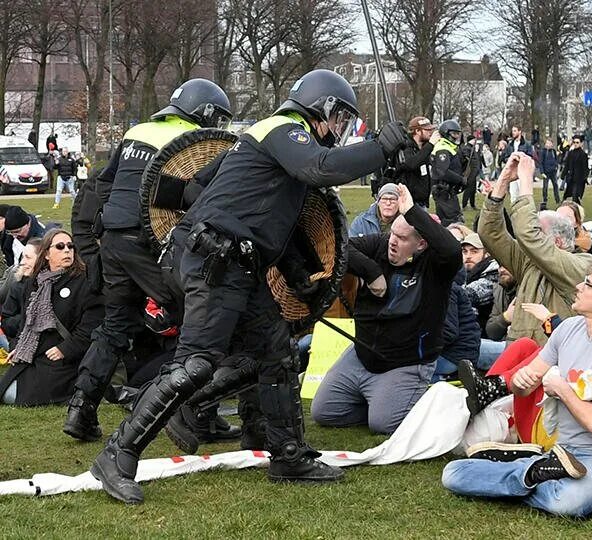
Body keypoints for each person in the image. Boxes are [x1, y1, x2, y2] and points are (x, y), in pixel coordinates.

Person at [89, 68, 406, 504]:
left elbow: (199, 186)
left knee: (277, 357)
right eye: (340, 119)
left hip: (235, 263)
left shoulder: (257, 140)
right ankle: (117, 453)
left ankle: (288, 454)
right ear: (322, 107)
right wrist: (380, 147)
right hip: (216, 262)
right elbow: (321, 168)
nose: (340, 131)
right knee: (195, 365)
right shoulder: (283, 129)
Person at [63, 79, 234, 443]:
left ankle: (81, 408)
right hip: (147, 241)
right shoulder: (193, 140)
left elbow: (103, 184)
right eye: (216, 118)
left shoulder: (137, 130)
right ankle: (198, 414)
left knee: (114, 326)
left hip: (112, 239)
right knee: (199, 321)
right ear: (204, 112)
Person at [442, 258, 592, 518]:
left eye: (587, 285)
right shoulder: (569, 330)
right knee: (453, 474)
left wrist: (561, 388)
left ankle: (526, 471)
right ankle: (534, 470)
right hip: (560, 451)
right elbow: (525, 385)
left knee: (568, 503)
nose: (578, 287)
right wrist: (520, 381)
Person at [313, 183, 461, 432]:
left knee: (384, 424)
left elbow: (452, 249)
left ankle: (406, 400)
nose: (392, 242)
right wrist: (371, 272)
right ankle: (377, 399)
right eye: (393, 233)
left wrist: (413, 211)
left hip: (405, 362)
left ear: (422, 244)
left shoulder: (436, 265)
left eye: (402, 238)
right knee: (325, 412)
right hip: (361, 354)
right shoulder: (381, 244)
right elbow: (339, 248)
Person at [476, 152, 592, 362]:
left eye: (539, 231)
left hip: (553, 363)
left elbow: (527, 234)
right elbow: (490, 233)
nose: (532, 234)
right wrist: (503, 181)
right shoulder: (529, 262)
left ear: (557, 242)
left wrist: (526, 184)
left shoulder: (582, 265)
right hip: (517, 356)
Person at [0, 230, 103, 406]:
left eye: (70, 246)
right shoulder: (35, 283)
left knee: (15, 396)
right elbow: (25, 325)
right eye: (60, 247)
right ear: (46, 253)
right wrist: (18, 347)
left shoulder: (85, 282)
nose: (67, 251)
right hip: (31, 355)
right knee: (6, 392)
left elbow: (91, 326)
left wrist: (65, 349)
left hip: (63, 361)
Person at [395, 116, 439, 208]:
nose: (430, 133)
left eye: (431, 129)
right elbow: (411, 164)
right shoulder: (406, 147)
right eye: (427, 130)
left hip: (422, 201)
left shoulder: (424, 148)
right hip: (410, 202)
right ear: (417, 131)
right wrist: (430, 145)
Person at [461, 232, 499, 334]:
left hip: (487, 335)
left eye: (474, 251)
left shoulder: (494, 271)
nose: (468, 256)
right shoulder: (461, 273)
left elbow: (470, 294)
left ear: (487, 254)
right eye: (465, 252)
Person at [431, 119, 465, 225]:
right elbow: (442, 171)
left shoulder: (449, 147)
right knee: (454, 221)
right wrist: (461, 180)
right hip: (444, 191)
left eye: (458, 133)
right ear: (446, 133)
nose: (456, 137)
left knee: (445, 222)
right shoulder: (443, 148)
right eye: (454, 133)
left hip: (447, 191)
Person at [485, 265, 517, 342]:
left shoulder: (528, 289)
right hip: (504, 342)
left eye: (506, 265)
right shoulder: (499, 289)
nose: (501, 270)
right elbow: (491, 332)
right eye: (500, 266)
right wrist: (506, 317)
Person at [560, 136, 589, 203]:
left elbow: (585, 167)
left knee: (575, 195)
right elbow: (567, 165)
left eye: (577, 142)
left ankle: (577, 210)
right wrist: (563, 174)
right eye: (574, 142)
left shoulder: (583, 154)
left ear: (581, 143)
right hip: (571, 178)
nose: (575, 144)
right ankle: (577, 209)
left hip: (579, 179)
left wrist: (585, 177)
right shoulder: (571, 153)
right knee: (567, 195)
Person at [461, 135, 485, 210]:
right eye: (473, 139)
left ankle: (472, 204)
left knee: (473, 189)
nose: (475, 141)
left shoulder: (473, 148)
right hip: (470, 171)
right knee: (469, 188)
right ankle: (464, 205)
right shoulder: (467, 148)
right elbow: (466, 159)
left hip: (474, 171)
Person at [539, 139, 560, 207]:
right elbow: (541, 162)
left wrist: (556, 167)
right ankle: (545, 200)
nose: (547, 145)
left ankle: (557, 200)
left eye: (549, 143)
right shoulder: (543, 152)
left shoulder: (553, 151)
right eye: (547, 143)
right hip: (546, 172)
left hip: (553, 172)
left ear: (552, 144)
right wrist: (542, 172)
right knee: (545, 187)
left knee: (555, 185)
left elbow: (556, 160)